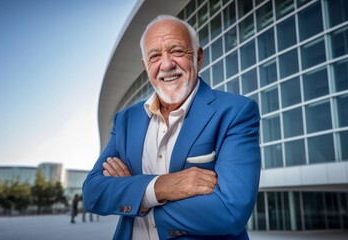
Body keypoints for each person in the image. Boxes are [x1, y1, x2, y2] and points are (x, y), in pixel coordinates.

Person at [82, 15, 261, 239]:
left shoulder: (236, 111)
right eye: (155, 56)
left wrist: (133, 193)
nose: (166, 64)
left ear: (198, 57)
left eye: (177, 51)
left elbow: (230, 211)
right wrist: (163, 187)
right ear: (145, 66)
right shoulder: (125, 120)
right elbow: (93, 193)